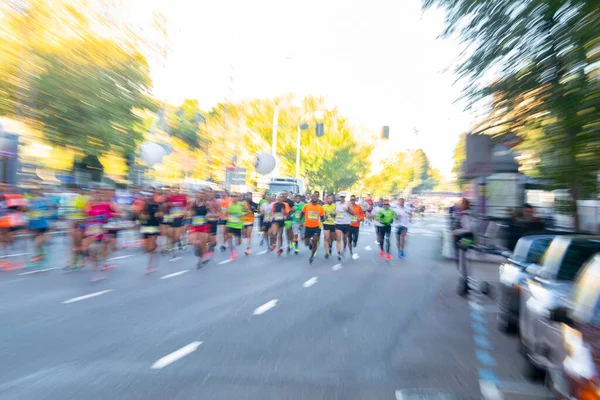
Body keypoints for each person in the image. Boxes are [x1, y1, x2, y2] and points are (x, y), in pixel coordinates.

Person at [140, 192, 162, 274]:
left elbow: (162, 216)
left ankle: (150, 266)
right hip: (145, 227)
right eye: (148, 196)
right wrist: (142, 217)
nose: (149, 197)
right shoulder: (144, 205)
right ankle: (155, 250)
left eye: (151, 196)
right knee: (147, 249)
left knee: (150, 248)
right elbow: (139, 215)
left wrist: (159, 215)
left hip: (154, 227)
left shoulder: (157, 205)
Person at [302, 192, 325, 264]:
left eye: (315, 197)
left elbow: (322, 219)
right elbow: (302, 214)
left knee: (315, 241)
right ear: (311, 198)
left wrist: (325, 219)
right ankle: (310, 244)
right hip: (308, 226)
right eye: (313, 197)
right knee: (306, 243)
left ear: (317, 198)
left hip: (316, 227)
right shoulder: (306, 206)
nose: (314, 198)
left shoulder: (320, 207)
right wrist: (301, 221)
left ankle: (311, 256)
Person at [190, 190, 210, 268]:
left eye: (201, 193)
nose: (200, 195)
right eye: (198, 193)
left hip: (203, 225)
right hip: (194, 225)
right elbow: (187, 211)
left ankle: (201, 259)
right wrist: (189, 213)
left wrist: (209, 214)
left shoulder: (206, 204)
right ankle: (200, 257)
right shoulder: (193, 203)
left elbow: (212, 212)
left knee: (202, 243)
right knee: (195, 243)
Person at [334, 191, 354, 261]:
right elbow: (334, 212)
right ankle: (339, 253)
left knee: (344, 239)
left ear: (345, 197)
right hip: (338, 223)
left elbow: (353, 213)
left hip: (346, 223)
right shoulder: (336, 204)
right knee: (338, 238)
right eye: (341, 197)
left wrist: (348, 210)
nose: (342, 198)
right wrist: (334, 213)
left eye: (343, 197)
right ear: (339, 197)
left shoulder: (348, 203)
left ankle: (344, 248)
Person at [322, 194, 336, 258]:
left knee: (332, 238)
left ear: (333, 199)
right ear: (326, 199)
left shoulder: (335, 206)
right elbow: (323, 216)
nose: (330, 199)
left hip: (333, 223)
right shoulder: (324, 206)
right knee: (326, 238)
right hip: (326, 223)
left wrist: (335, 214)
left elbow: (339, 214)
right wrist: (325, 217)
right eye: (328, 198)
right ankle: (327, 252)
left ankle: (330, 246)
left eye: (331, 198)